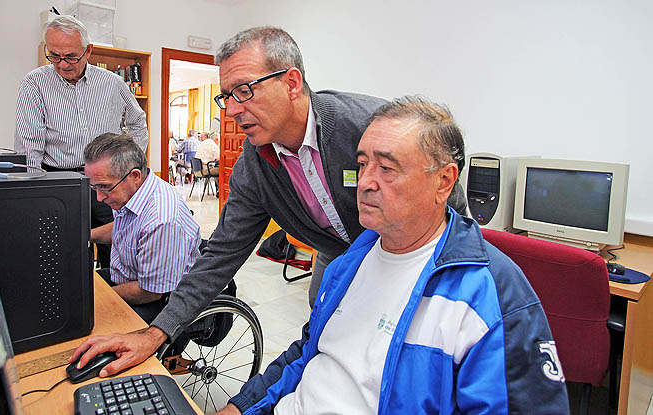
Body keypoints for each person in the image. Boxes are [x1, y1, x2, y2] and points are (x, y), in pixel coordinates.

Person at [69, 26, 466, 379]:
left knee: (414, 354)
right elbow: (221, 254)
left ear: (292, 82)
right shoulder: (254, 167)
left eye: (245, 90)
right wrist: (156, 333)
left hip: (411, 255)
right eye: (227, 96)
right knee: (328, 342)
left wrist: (462, 268)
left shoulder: (363, 125)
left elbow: (449, 201)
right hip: (336, 256)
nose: (235, 109)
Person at [217, 97, 569, 414]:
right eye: (362, 164)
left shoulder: (490, 296)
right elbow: (309, 350)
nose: (366, 181)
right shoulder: (350, 263)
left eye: (386, 168)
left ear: (444, 182)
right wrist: (242, 405)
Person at [14, 15, 148, 269]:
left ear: (88, 51)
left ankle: (115, 303)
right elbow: (29, 143)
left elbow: (138, 123)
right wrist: (32, 194)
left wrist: (128, 167)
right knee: (66, 253)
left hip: (109, 181)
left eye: (70, 57)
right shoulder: (34, 83)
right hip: (59, 180)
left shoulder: (112, 83)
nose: (62, 64)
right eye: (53, 55)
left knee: (117, 250)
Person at [83, 133, 200, 322]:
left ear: (135, 176)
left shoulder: (161, 220)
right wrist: (86, 236)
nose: (99, 197)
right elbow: (124, 227)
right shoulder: (131, 191)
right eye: (94, 187)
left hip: (155, 299)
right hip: (126, 277)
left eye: (104, 187)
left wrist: (101, 299)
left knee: (87, 323)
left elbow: (150, 292)